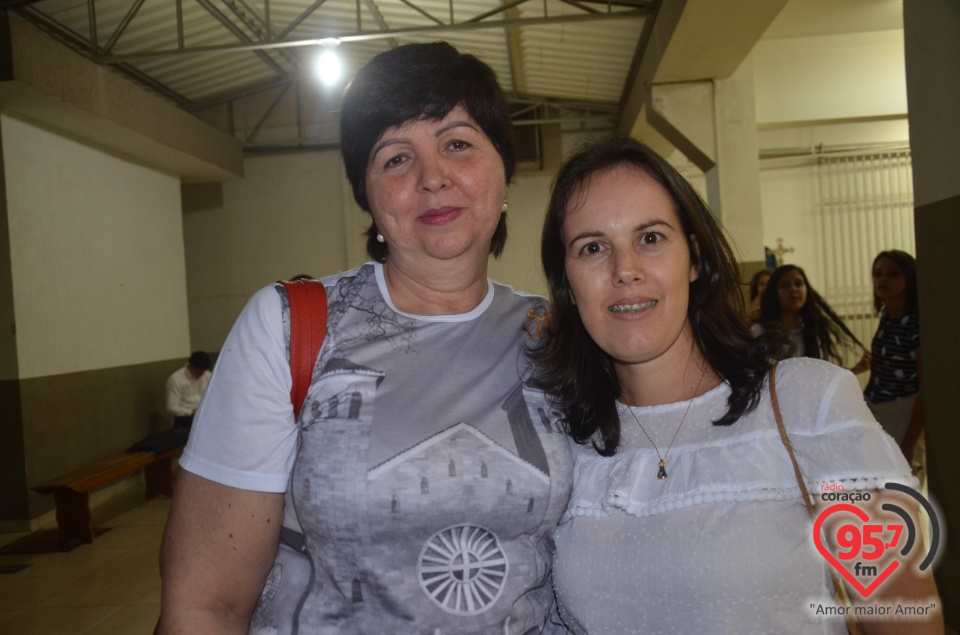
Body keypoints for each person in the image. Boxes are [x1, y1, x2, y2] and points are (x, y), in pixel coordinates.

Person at [157, 42, 573, 634]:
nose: (433, 178)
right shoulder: (289, 328)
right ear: (369, 197)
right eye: (395, 158)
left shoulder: (557, 336)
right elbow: (207, 605)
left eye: (457, 143)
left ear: (502, 169)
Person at [531, 135, 940, 633]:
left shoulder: (805, 405)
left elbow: (901, 614)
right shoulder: (563, 444)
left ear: (696, 259)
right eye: (593, 248)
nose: (625, 271)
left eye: (651, 238)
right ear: (567, 285)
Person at [754, 264, 870, 373]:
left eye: (798, 284)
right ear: (774, 292)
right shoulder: (761, 331)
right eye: (785, 285)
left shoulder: (813, 329)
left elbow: (821, 378)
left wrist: (855, 370)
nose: (793, 289)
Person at [864, 250, 923, 460]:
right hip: (876, 408)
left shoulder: (916, 322)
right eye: (878, 274)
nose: (883, 279)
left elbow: (926, 387)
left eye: (893, 274)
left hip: (902, 412)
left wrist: (909, 440)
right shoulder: (887, 316)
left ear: (909, 277)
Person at [165, 350, 211, 430]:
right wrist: (191, 413)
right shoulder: (176, 379)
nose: (201, 375)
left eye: (203, 372)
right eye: (198, 371)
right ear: (190, 366)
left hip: (205, 414)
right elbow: (171, 407)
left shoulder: (207, 375)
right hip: (186, 418)